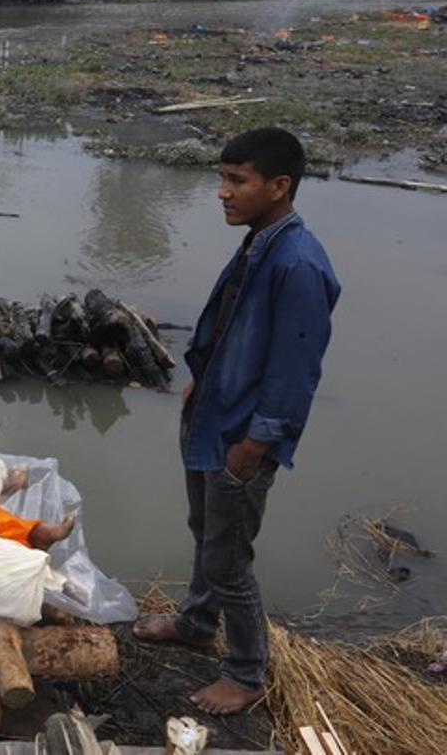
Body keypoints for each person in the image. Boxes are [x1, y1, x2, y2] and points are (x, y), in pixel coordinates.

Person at [133, 128, 341, 715]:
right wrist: (207, 376)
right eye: (221, 178)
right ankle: (197, 623)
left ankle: (247, 672)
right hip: (215, 415)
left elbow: (295, 371)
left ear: (279, 186)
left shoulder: (297, 263)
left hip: (242, 436)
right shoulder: (260, 241)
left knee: (229, 559)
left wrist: (255, 444)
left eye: (237, 181)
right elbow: (241, 329)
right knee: (208, 532)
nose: (222, 192)